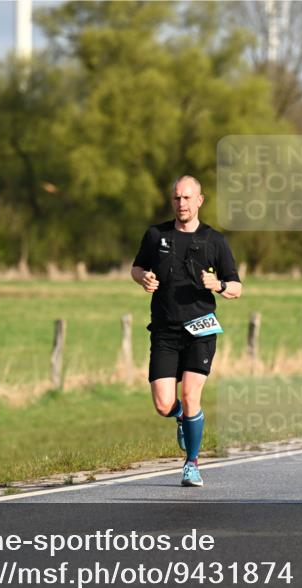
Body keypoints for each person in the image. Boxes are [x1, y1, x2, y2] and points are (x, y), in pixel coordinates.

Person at [130, 176, 242, 487]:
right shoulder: (156, 235)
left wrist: (218, 285)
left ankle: (191, 463)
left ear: (199, 201)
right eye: (177, 198)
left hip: (200, 329)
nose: (182, 203)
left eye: (188, 198)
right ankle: (180, 416)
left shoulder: (214, 240)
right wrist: (143, 278)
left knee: (191, 394)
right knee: (163, 404)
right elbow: (136, 268)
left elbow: (237, 287)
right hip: (165, 331)